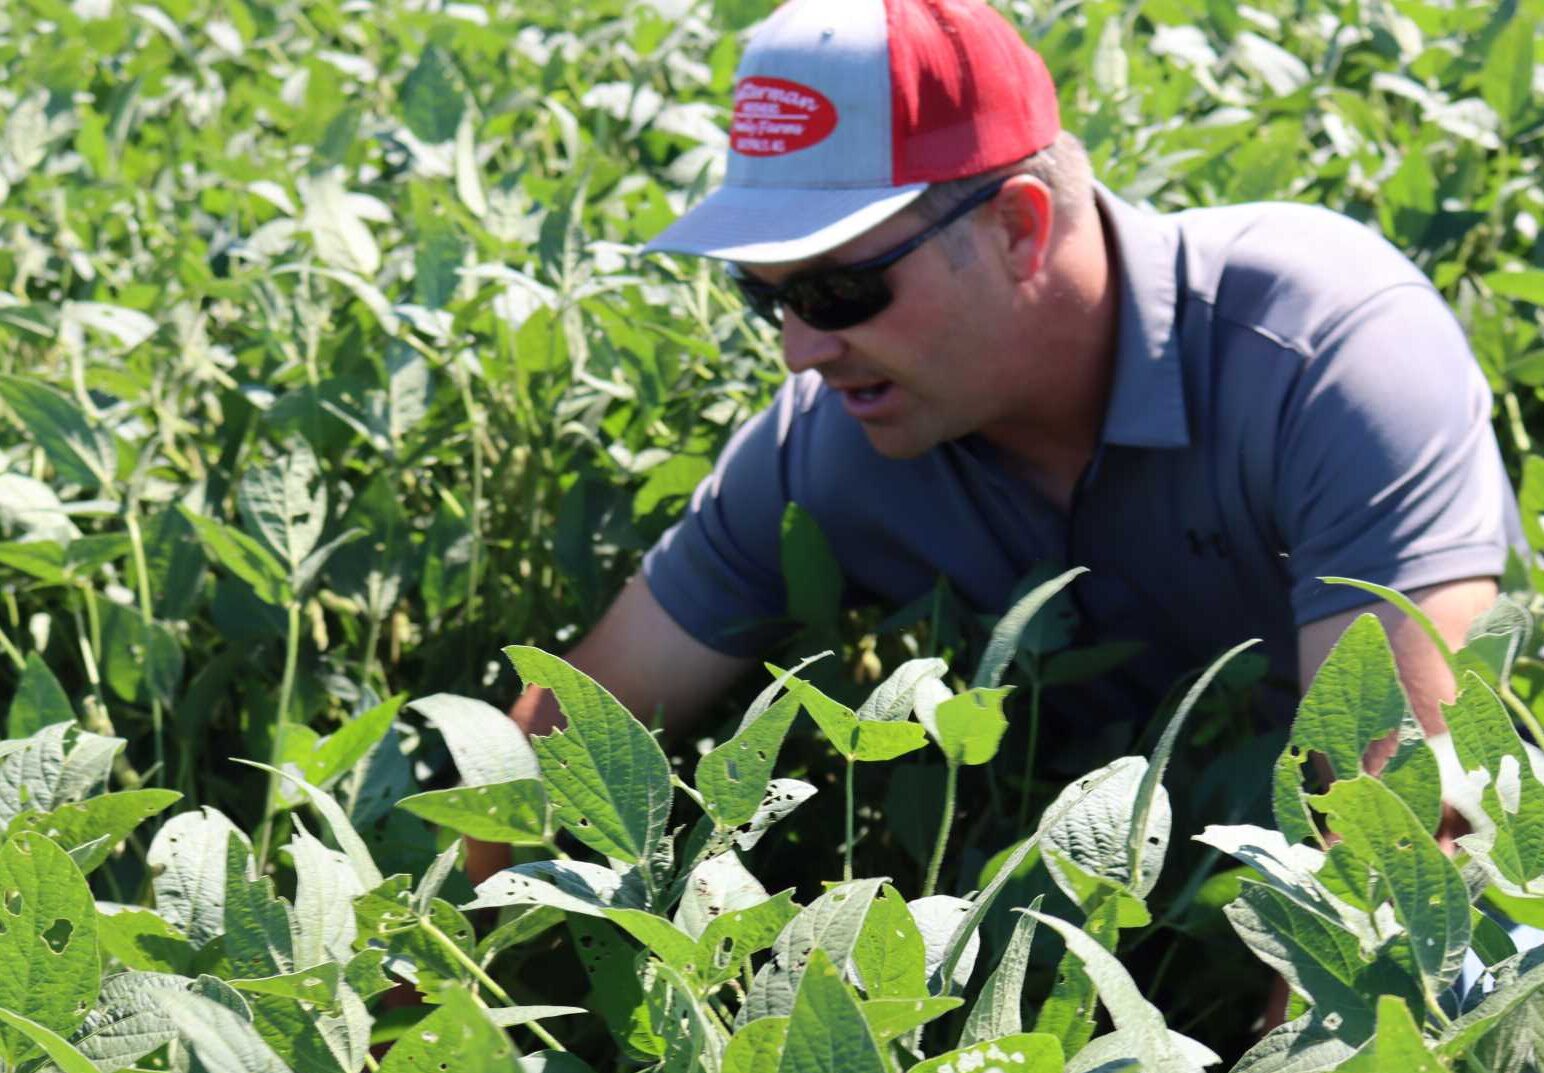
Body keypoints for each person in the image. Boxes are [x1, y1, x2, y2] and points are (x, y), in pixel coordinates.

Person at [482, 0, 1523, 873]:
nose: (799, 350)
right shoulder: (831, 440)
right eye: (765, 299)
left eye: (839, 287)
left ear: (1019, 226)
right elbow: (579, 722)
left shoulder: (1319, 351)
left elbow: (1401, 831)